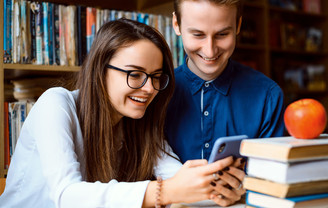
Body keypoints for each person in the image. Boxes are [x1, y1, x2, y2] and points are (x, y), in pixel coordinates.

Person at [0, 18, 235, 208]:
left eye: (156, 77)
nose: (149, 89)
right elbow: (67, 195)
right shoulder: (55, 104)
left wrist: (224, 190)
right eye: (135, 75)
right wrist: (165, 192)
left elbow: (178, 180)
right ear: (101, 70)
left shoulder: (139, 123)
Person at [165, 0, 285, 205]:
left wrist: (246, 188)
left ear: (238, 25)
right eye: (197, 34)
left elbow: (278, 182)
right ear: (177, 24)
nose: (210, 51)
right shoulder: (156, 93)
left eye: (222, 34)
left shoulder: (268, 96)